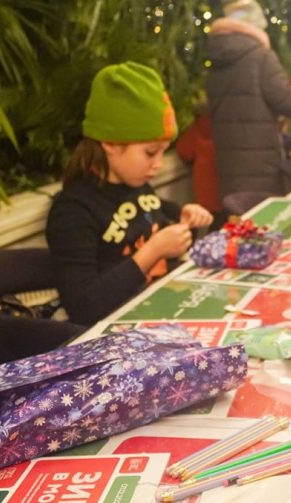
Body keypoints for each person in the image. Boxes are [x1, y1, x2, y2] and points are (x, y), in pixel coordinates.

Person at [46, 62, 213, 326]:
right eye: (150, 152)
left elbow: (153, 207)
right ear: (110, 143)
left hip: (159, 309)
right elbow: (82, 307)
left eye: (162, 151)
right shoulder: (72, 212)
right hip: (113, 335)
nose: (158, 164)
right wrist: (154, 250)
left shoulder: (135, 183)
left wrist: (182, 212)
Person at [206, 0, 291, 199]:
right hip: (260, 164)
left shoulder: (216, 59)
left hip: (228, 165)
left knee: (238, 219)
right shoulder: (261, 57)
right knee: (263, 222)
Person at [175, 96, 221, 218]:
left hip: (205, 193)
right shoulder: (224, 129)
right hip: (225, 189)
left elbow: (184, 151)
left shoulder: (195, 131)